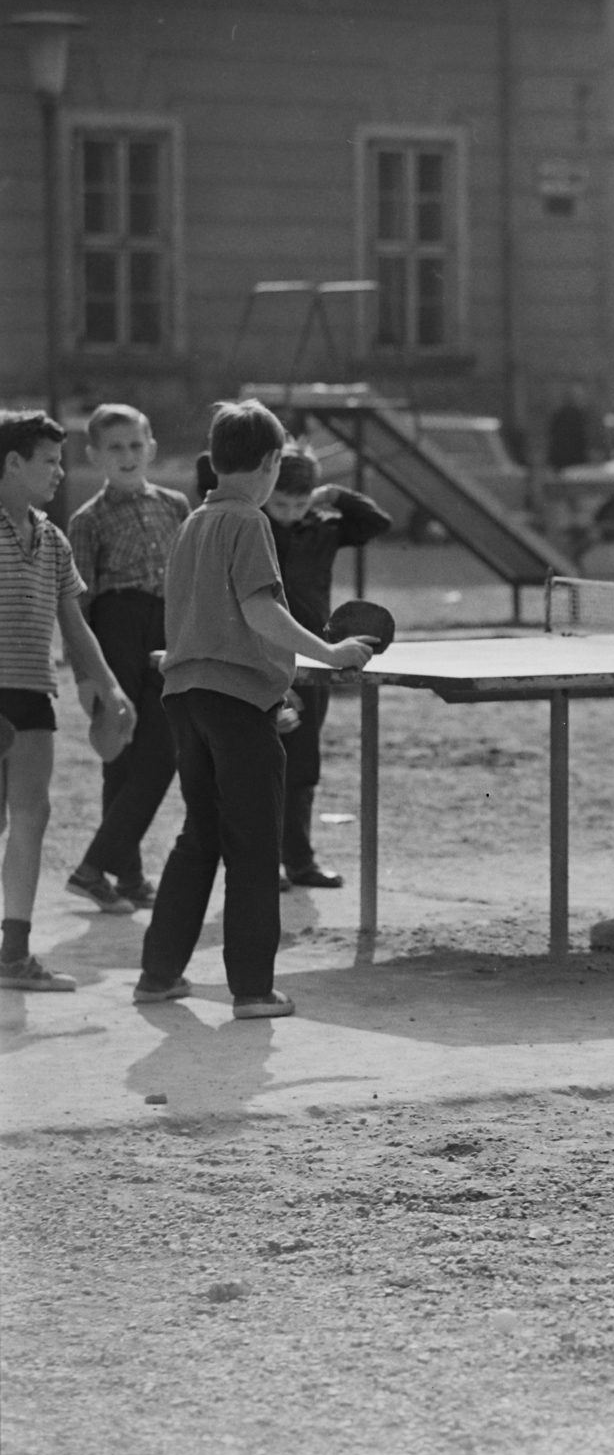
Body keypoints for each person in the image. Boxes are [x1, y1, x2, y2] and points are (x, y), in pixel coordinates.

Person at [135, 400, 373, 1019]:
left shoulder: (192, 523)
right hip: (236, 705)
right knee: (253, 844)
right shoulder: (250, 521)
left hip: (187, 697)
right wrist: (329, 651)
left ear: (217, 460)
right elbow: (261, 611)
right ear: (271, 464)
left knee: (200, 835)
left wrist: (275, 687)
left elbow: (205, 620)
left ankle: (158, 974)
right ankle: (252, 989)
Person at [0, 411, 136, 992]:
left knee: (33, 815)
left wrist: (110, 687)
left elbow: (75, 627)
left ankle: (13, 954)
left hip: (34, 693)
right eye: (50, 462)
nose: (60, 472)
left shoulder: (52, 539)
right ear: (12, 463)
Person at [62, 404, 190, 913]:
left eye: (136, 445)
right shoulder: (86, 520)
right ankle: (119, 873)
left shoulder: (177, 505)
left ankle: (102, 867)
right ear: (94, 456)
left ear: (151, 448)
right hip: (114, 630)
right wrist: (87, 678)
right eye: (115, 448)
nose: (127, 456)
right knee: (121, 757)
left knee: (161, 750)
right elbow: (78, 605)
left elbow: (188, 576)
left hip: (165, 628)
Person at [262, 445, 391, 890]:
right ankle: (263, 862)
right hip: (264, 655)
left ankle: (299, 861)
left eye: (300, 503)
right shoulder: (253, 527)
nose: (291, 512)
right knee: (263, 763)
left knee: (303, 763)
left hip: (317, 654)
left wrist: (333, 495)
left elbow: (377, 523)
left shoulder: (322, 527)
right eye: (281, 502)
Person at [547, 385, 595, 472]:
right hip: (573, 460)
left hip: (560, 460)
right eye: (580, 397)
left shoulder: (559, 415)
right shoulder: (576, 416)